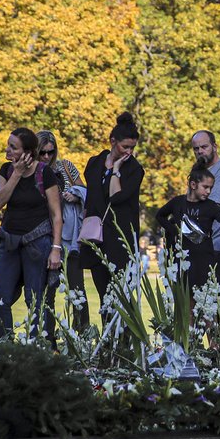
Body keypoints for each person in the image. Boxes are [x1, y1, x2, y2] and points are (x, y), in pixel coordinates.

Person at [0, 128, 62, 341]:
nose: (8, 149)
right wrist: (17, 174)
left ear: (28, 152)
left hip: (37, 243)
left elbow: (56, 215)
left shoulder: (45, 173)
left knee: (36, 301)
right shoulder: (6, 170)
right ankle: (7, 348)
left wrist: (56, 249)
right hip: (9, 242)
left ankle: (35, 349)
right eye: (8, 144)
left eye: (13, 147)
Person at [156, 160, 220, 290]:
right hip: (181, 258)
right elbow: (160, 216)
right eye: (205, 187)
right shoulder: (177, 203)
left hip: (203, 258)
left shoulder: (210, 206)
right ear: (193, 184)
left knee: (201, 296)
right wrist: (174, 231)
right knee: (183, 296)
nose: (209, 191)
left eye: (211, 188)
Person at [81, 112, 145, 307]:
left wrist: (116, 169)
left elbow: (117, 197)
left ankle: (124, 338)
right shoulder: (94, 163)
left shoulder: (134, 169)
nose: (129, 152)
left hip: (119, 239)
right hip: (96, 236)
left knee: (121, 299)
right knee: (103, 297)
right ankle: (107, 338)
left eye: (133, 148)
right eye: (125, 147)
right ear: (112, 141)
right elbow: (90, 197)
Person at [37, 130, 89, 330]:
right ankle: (48, 338)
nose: (47, 157)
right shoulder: (33, 172)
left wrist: (75, 196)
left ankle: (81, 336)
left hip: (69, 236)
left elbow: (84, 191)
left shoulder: (65, 167)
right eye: (43, 153)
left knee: (77, 290)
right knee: (46, 292)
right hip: (45, 235)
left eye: (51, 152)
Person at [190, 130, 220, 278]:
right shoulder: (197, 171)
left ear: (214, 147)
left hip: (216, 246)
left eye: (204, 147)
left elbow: (210, 206)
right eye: (196, 149)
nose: (200, 151)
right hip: (198, 245)